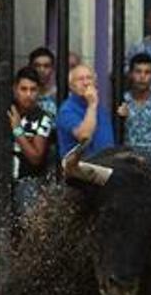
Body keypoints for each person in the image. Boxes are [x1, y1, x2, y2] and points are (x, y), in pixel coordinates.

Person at [116, 53, 151, 181]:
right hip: (128, 169)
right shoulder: (122, 101)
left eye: (147, 72)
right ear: (130, 74)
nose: (142, 77)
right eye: (138, 72)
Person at [8, 66, 52, 223]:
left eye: (33, 90)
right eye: (23, 89)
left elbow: (35, 157)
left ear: (38, 91)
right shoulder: (5, 112)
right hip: (1, 178)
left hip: (27, 180)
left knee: (30, 219)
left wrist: (18, 131)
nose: (28, 95)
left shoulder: (43, 118)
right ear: (15, 89)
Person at [56, 64, 115, 159]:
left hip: (106, 163)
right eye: (80, 79)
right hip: (80, 168)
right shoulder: (67, 110)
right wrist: (92, 105)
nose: (86, 83)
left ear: (95, 83)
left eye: (89, 78)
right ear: (71, 86)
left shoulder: (100, 106)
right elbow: (84, 137)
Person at [28, 47, 58, 120]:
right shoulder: (25, 94)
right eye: (37, 66)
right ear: (30, 67)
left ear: (52, 69)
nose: (42, 70)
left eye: (46, 66)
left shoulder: (59, 95)